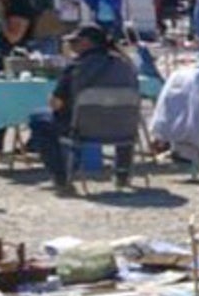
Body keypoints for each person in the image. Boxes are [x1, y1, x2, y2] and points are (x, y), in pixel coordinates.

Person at [27, 24, 139, 195]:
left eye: (74, 41)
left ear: (86, 43)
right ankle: (122, 174)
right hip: (124, 129)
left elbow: (56, 103)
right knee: (116, 113)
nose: (70, 45)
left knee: (38, 119)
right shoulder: (126, 65)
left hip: (83, 129)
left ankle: (62, 178)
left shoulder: (77, 66)